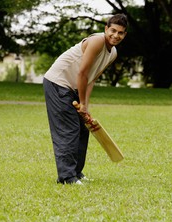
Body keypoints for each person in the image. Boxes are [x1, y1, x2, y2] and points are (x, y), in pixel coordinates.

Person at [43, 13, 128, 185]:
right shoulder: (97, 41)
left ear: (124, 34)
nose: (116, 35)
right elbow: (82, 72)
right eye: (113, 30)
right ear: (106, 29)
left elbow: (91, 78)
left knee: (83, 129)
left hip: (74, 86)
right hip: (57, 82)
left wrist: (85, 106)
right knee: (69, 129)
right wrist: (81, 102)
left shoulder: (113, 53)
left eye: (120, 33)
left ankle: (76, 173)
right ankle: (67, 177)